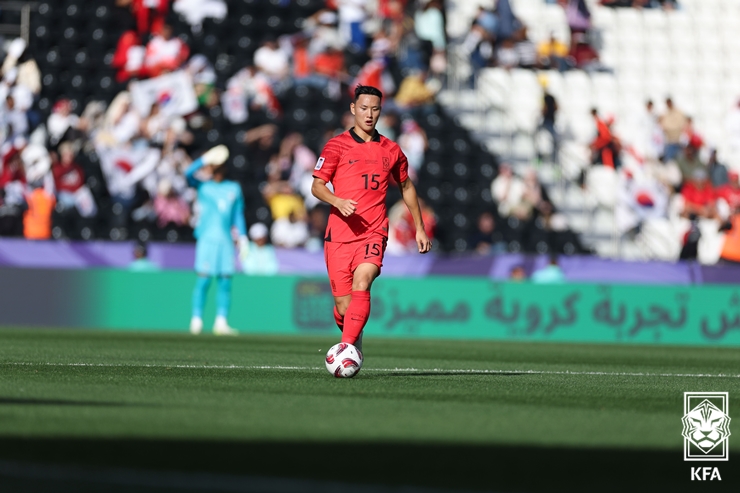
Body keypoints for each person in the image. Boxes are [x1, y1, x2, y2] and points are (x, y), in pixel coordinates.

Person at [311, 85, 432, 353]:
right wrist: (337, 201)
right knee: (344, 307)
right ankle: (352, 334)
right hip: (339, 236)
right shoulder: (336, 146)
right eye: (364, 108)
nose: (369, 114)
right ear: (353, 109)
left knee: (363, 282)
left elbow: (407, 187)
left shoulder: (391, 150)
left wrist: (420, 228)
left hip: (373, 231)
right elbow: (317, 186)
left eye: (375, 109)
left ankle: (346, 350)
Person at [185, 145, 249, 336]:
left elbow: (237, 215)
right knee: (204, 280)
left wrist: (243, 237)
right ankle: (196, 320)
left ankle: (221, 322)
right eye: (215, 166)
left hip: (226, 241)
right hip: (207, 240)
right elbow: (188, 174)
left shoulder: (234, 188)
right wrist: (205, 159)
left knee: (225, 281)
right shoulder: (204, 187)